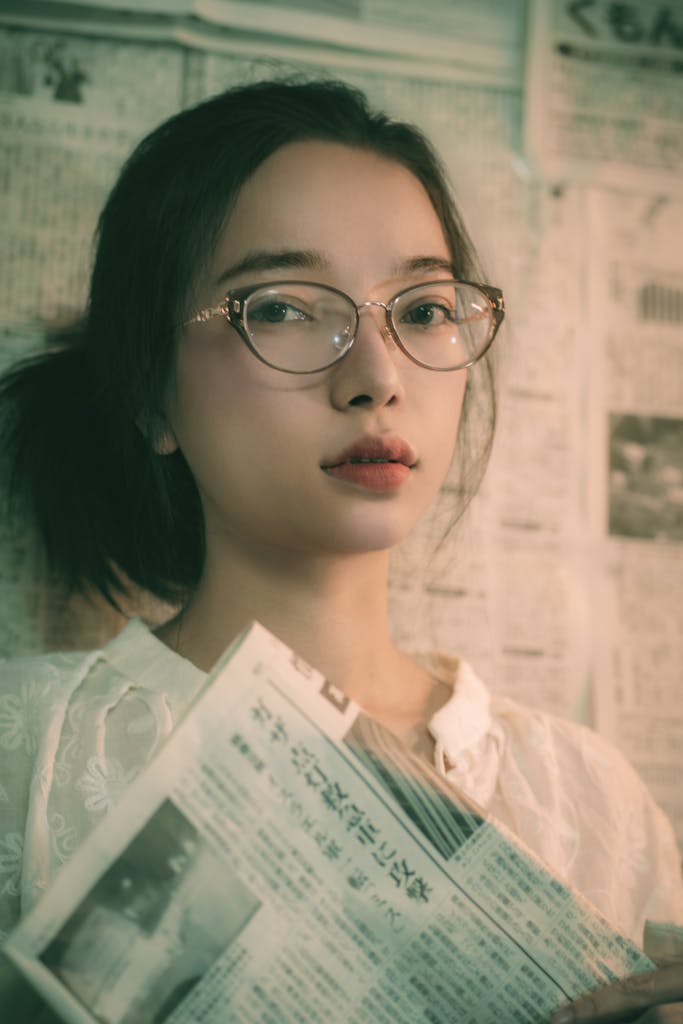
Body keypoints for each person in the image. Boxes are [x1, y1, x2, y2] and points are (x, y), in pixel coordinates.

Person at [0, 77, 681, 1022]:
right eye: (279, 307)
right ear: (150, 392)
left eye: (421, 309)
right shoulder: (23, 754)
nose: (375, 376)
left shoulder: (590, 801)